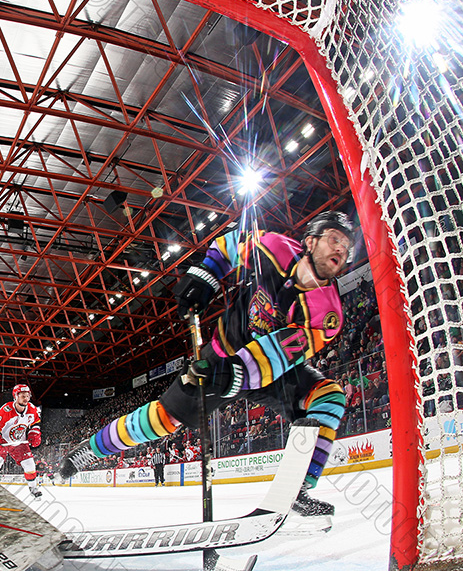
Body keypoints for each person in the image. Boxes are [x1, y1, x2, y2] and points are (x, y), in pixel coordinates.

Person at [59, 211, 356, 517]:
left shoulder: (327, 313)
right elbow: (228, 246)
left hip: (273, 371)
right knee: (163, 418)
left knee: (329, 396)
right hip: (220, 354)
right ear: (311, 240)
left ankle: (298, 487)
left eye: (346, 247)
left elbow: (279, 353)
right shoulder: (274, 247)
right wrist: (206, 275)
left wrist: (235, 373)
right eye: (334, 239)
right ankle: (91, 449)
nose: (340, 249)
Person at [0, 383, 44, 497]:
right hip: (3, 441)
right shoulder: (7, 409)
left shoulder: (32, 409)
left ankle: (33, 488)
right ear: (15, 396)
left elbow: (35, 423)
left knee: (29, 464)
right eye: (23, 396)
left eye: (27, 396)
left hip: (19, 442)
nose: (26, 398)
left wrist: (34, 434)